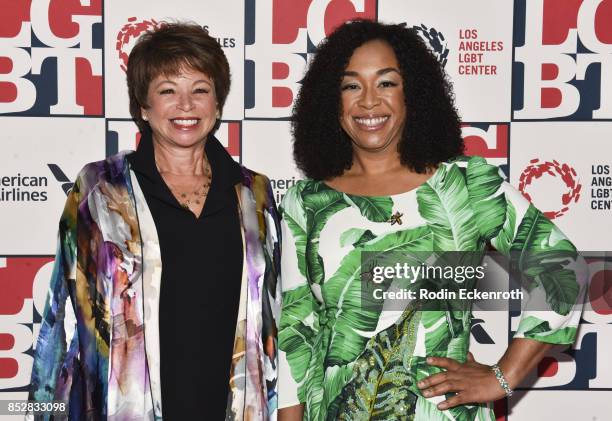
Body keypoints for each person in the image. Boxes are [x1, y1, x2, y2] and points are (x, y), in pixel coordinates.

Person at [277, 20, 586, 421]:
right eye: (351, 85)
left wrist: (502, 377)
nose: (369, 101)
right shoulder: (307, 202)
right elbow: (296, 334)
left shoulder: (466, 184)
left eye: (386, 83)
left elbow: (562, 269)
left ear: (412, 96)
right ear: (331, 102)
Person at [28, 23, 280, 420]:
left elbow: (275, 323)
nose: (186, 105)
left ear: (217, 104)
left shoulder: (255, 195)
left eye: (200, 89)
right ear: (144, 107)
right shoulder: (100, 190)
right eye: (168, 91)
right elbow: (64, 322)